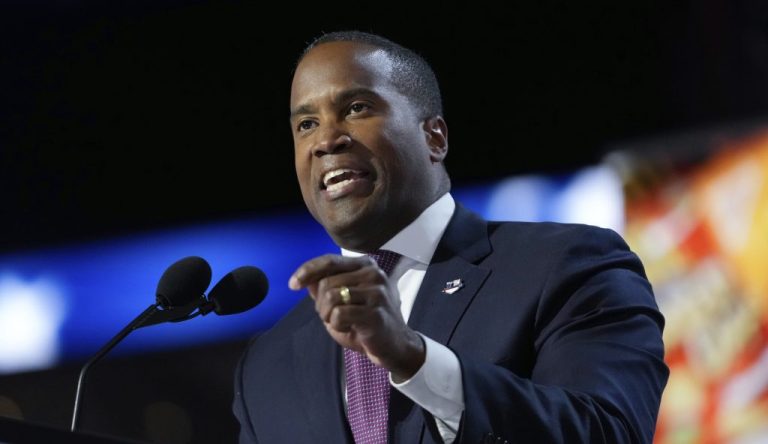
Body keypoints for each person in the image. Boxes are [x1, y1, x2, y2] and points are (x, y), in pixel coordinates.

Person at [232, 30, 668, 444]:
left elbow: (608, 433)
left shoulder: (566, 265)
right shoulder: (266, 368)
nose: (326, 140)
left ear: (434, 137)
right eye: (306, 124)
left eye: (357, 108)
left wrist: (412, 356)